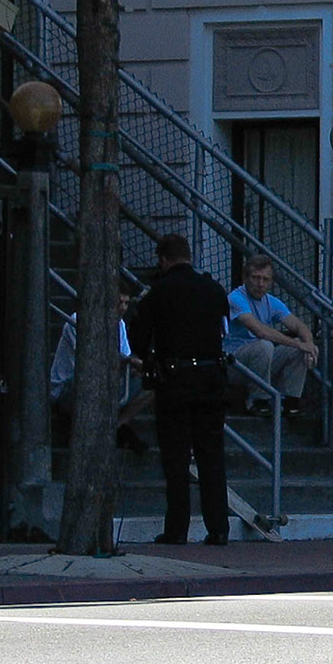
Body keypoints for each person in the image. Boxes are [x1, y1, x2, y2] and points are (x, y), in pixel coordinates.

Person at [128, 234, 234, 546]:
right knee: (211, 455)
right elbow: (223, 332)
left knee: (176, 458)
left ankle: (177, 529)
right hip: (211, 377)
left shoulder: (157, 294)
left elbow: (138, 341)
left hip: (175, 381)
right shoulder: (214, 290)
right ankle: (218, 528)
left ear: (164, 259)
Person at [51, 281, 151, 452]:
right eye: (119, 302)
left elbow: (124, 357)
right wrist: (126, 362)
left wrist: (134, 367)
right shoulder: (76, 321)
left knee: (151, 382)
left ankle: (117, 426)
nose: (123, 308)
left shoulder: (120, 325)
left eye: (126, 303)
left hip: (103, 381)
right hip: (68, 388)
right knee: (93, 378)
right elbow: (92, 359)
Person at [223, 254, 318, 416]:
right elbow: (259, 331)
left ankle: (290, 400)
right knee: (264, 344)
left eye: (265, 279)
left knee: (298, 348)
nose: (260, 284)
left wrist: (308, 344)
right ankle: (258, 401)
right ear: (246, 278)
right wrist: (299, 343)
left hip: (260, 362)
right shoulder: (235, 298)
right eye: (255, 278)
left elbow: (299, 325)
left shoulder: (271, 301)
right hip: (234, 364)